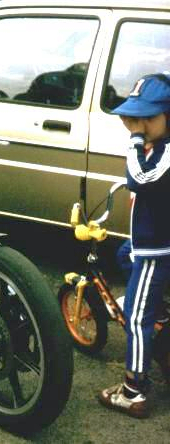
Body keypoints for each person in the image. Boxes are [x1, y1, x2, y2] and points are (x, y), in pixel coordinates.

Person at [99, 72, 170, 417]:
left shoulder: (166, 150)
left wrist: (134, 140)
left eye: (147, 118)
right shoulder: (158, 145)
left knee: (137, 319)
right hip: (146, 243)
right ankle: (160, 311)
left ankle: (133, 391)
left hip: (157, 250)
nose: (137, 125)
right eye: (132, 117)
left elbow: (139, 178)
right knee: (123, 254)